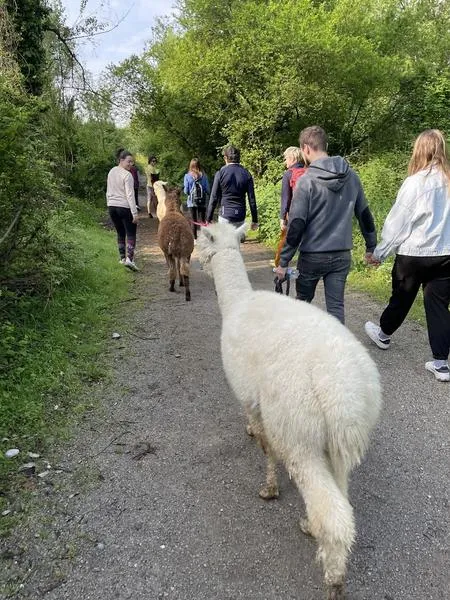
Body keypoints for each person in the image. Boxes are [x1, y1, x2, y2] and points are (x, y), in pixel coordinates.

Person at [364, 129, 450, 382]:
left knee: (401, 297)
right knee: (438, 306)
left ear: (419, 150)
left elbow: (398, 223)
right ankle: (441, 364)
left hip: (415, 253)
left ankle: (384, 333)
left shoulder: (416, 182)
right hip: (446, 254)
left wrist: (380, 252)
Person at [274, 125, 377, 324]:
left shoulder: (306, 181)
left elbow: (296, 224)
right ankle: (338, 352)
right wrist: (371, 246)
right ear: (326, 145)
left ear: (305, 149)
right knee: (336, 307)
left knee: (302, 304)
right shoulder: (352, 177)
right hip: (341, 255)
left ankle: (301, 349)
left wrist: (284, 261)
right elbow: (364, 215)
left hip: (312, 256)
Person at [206, 145, 258, 231]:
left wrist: (209, 218)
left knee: (224, 243)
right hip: (240, 215)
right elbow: (252, 200)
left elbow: (214, 197)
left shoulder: (220, 173)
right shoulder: (247, 174)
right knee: (236, 242)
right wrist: (255, 220)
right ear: (239, 158)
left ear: (225, 158)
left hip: (225, 214)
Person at [106, 149, 139, 271]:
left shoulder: (112, 171)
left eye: (132, 162)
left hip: (112, 207)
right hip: (124, 207)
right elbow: (130, 195)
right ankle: (130, 260)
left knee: (120, 232)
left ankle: (122, 259)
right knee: (131, 233)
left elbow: (108, 190)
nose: (131, 164)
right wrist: (134, 213)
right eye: (128, 162)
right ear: (121, 160)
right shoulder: (127, 175)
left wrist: (109, 203)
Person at [274, 146, 306, 266]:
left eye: (286, 158)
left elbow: (286, 198)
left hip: (294, 214)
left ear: (292, 158)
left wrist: (282, 218)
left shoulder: (288, 174)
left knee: (289, 241)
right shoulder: (308, 171)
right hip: (311, 213)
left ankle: (281, 265)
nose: (285, 161)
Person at [183, 158, 210, 241]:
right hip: (202, 201)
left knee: (193, 220)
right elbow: (207, 189)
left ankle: (194, 239)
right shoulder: (204, 176)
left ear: (190, 166)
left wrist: (189, 194)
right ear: (199, 165)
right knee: (202, 220)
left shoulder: (187, 176)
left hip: (191, 202)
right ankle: (204, 238)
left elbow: (186, 190)